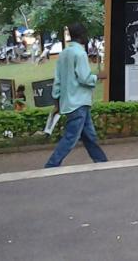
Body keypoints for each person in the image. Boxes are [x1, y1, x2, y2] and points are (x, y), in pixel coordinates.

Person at [44, 22, 108, 168]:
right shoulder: (80, 53)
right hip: (79, 102)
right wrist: (98, 77)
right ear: (81, 36)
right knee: (71, 138)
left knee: (89, 136)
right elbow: (84, 78)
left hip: (70, 102)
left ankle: (102, 162)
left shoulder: (64, 53)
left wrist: (56, 101)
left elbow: (58, 80)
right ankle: (51, 165)